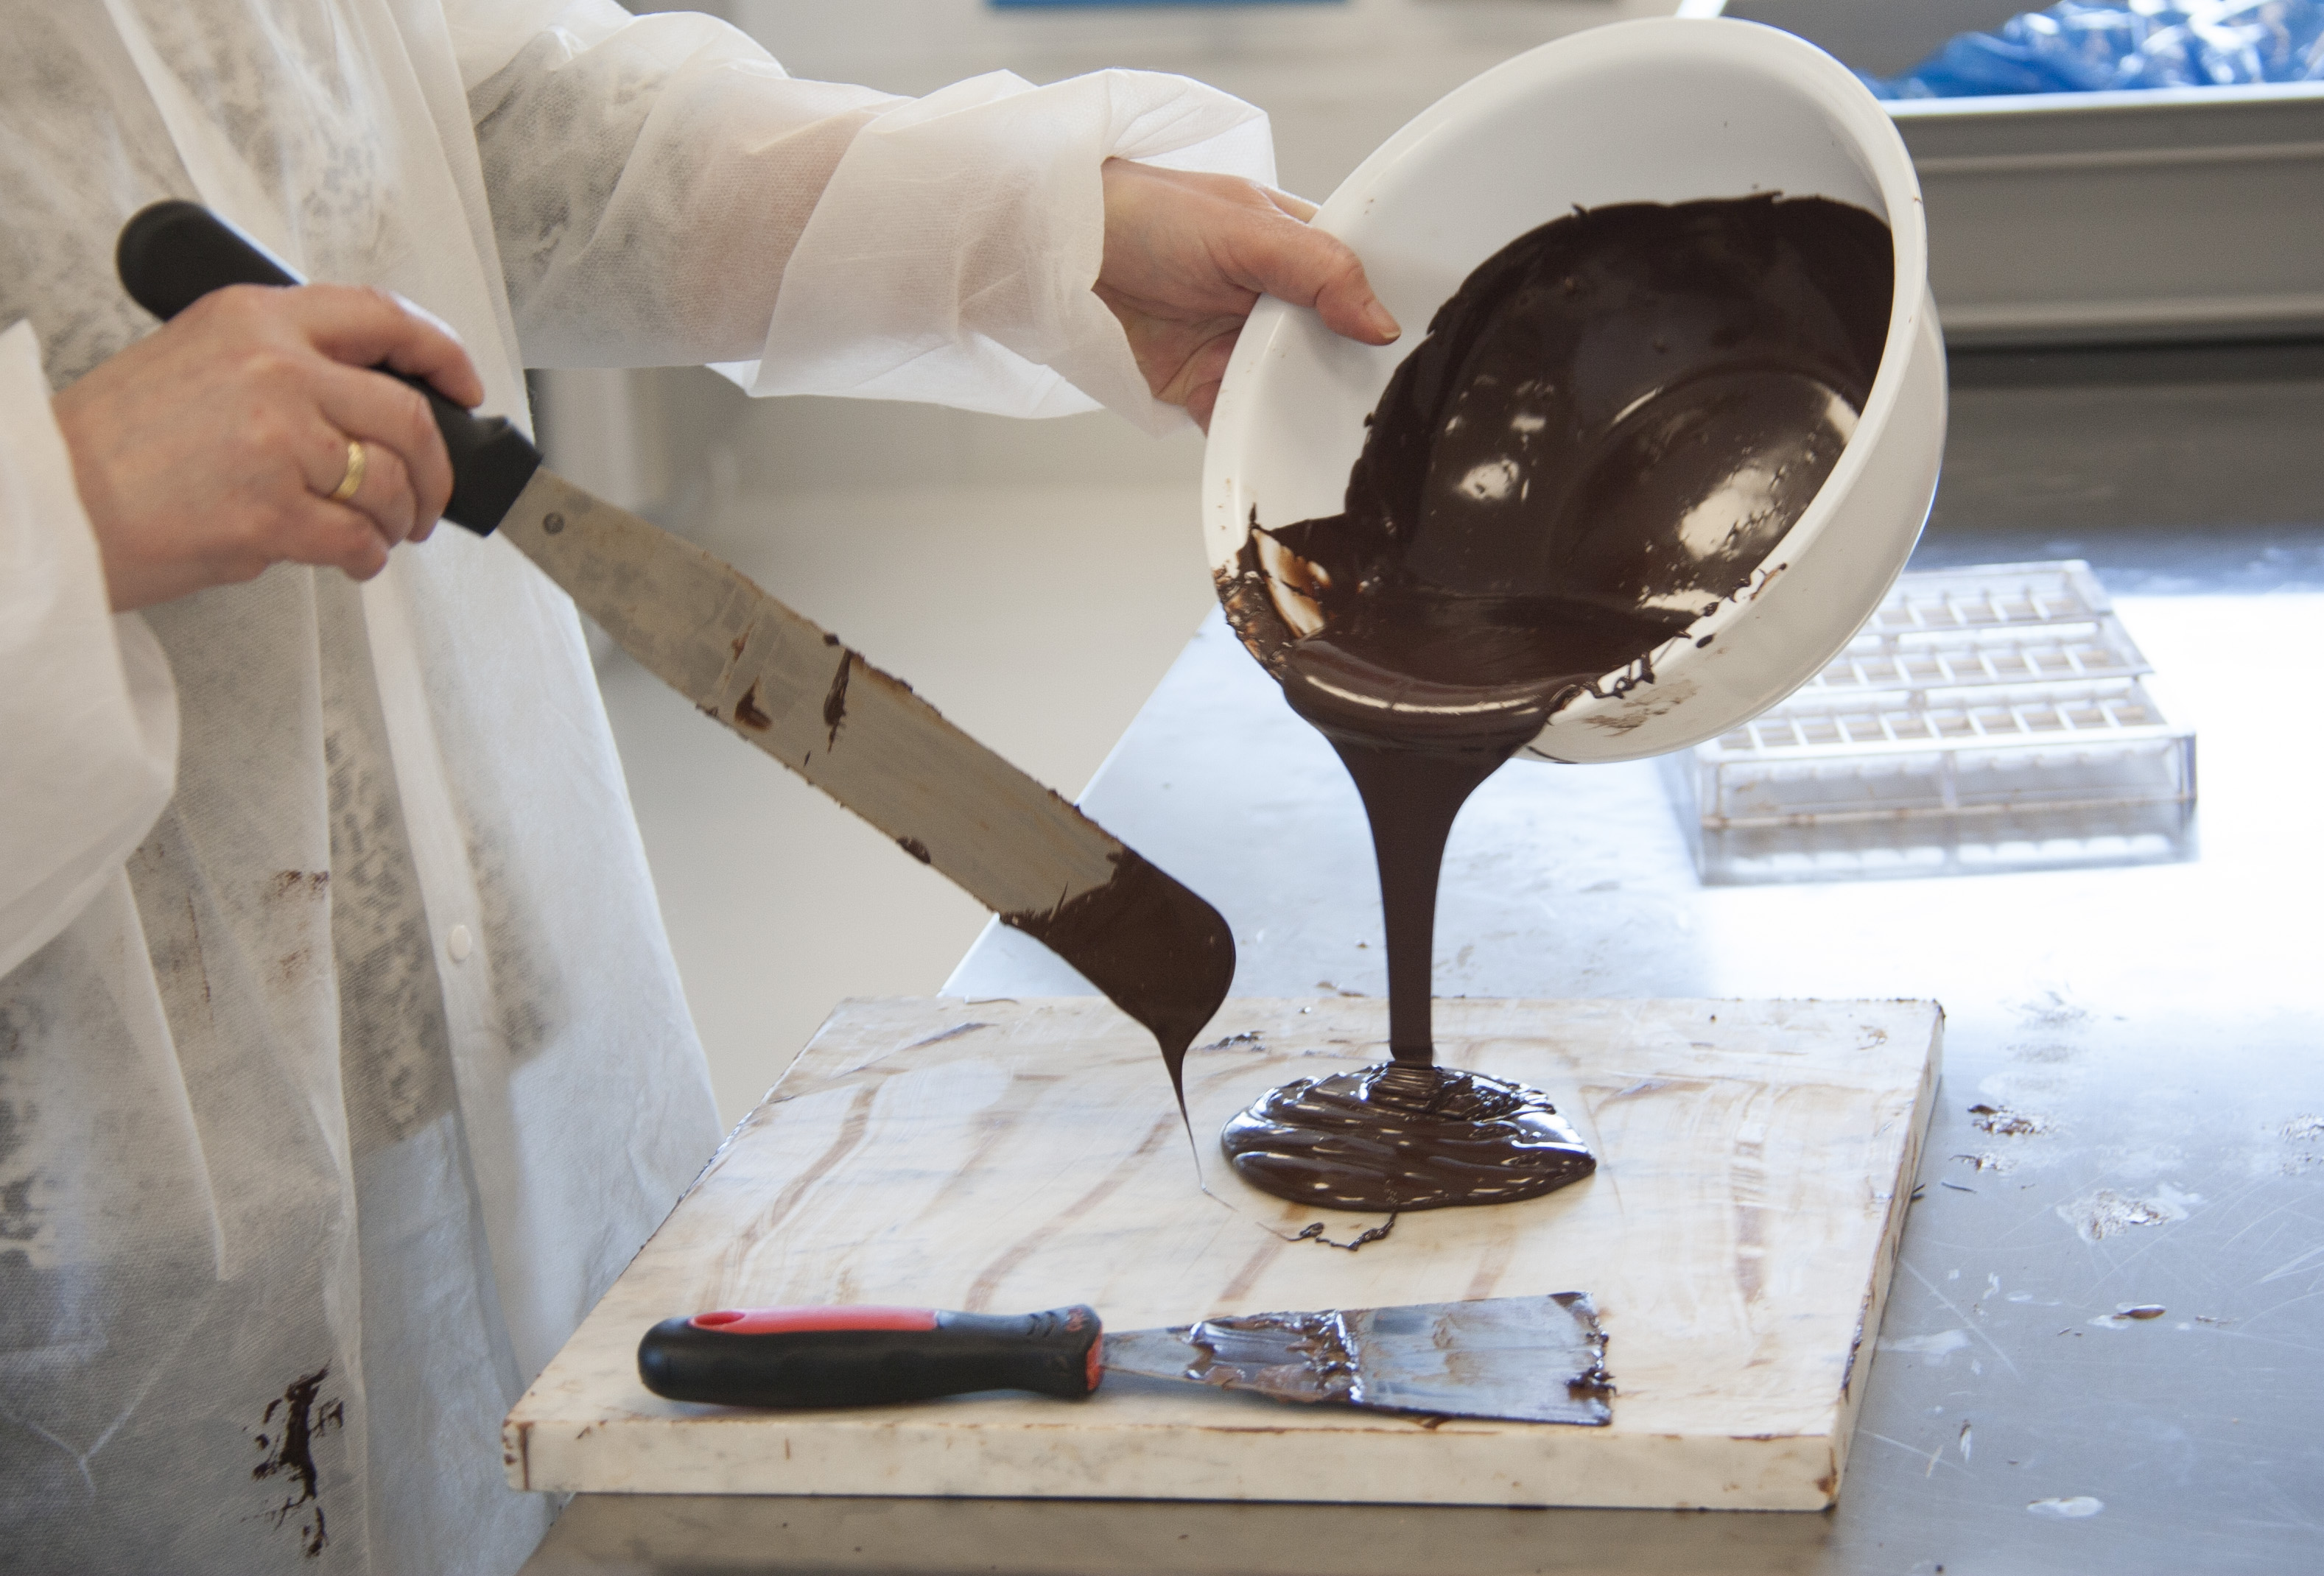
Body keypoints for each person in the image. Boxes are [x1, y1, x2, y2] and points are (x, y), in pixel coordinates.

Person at [0, 2, 1396, 1569]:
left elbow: (496, 126)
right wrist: (59, 508)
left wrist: (1047, 225)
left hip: (469, 998)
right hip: (77, 1173)